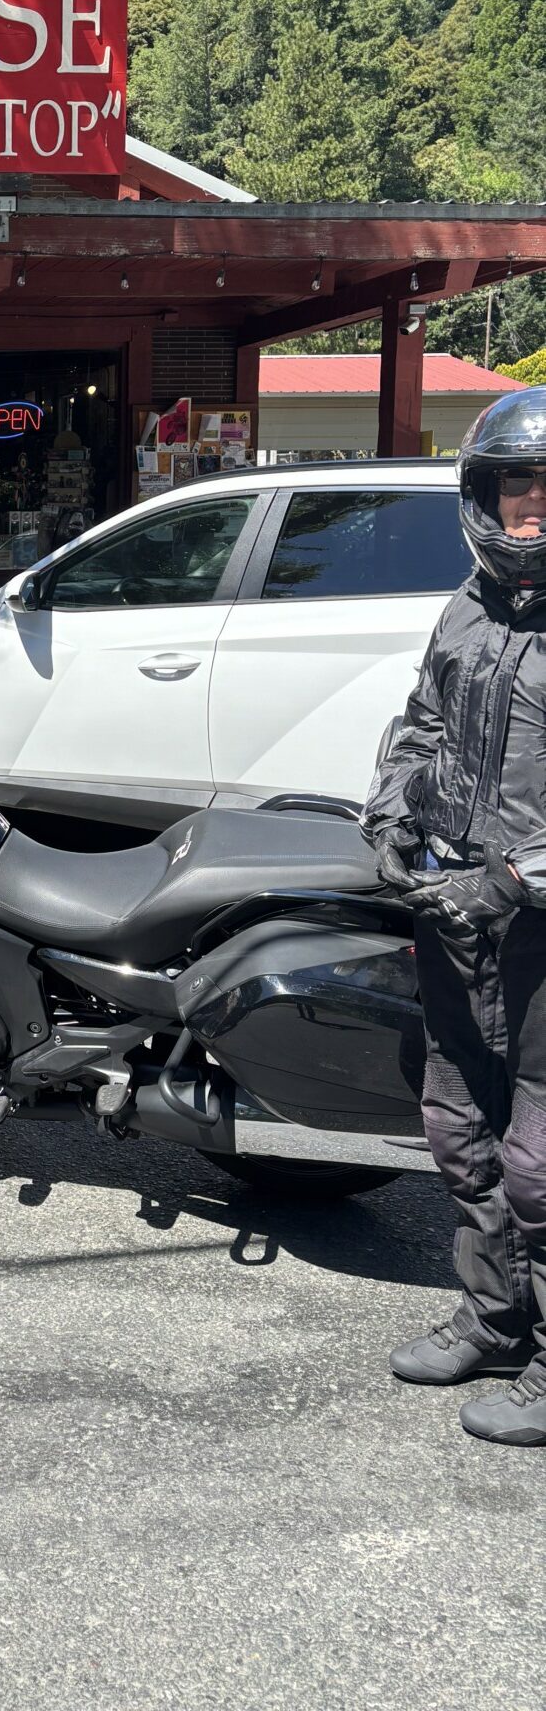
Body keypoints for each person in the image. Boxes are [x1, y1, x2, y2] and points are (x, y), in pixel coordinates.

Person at [363, 389, 546, 1447]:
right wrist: (391, 815)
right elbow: (421, 725)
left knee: (540, 1157)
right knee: (458, 1127)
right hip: (456, 911)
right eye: (516, 482)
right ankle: (495, 1316)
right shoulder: (469, 606)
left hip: (534, 924)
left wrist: (515, 879)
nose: (532, 503)